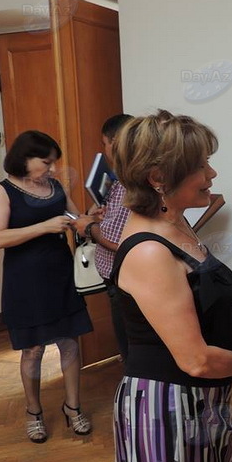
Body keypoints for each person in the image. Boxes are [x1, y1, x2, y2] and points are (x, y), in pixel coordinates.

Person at [110, 110, 232, 462]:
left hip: (201, 403)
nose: (212, 174)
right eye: (201, 166)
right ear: (159, 177)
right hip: (167, 410)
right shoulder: (149, 253)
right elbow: (195, 360)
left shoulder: (175, 224)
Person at [0, 130, 94, 443]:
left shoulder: (55, 186)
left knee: (70, 343)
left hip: (61, 274)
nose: (52, 169)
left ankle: (72, 407)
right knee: (33, 350)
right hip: (25, 281)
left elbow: (73, 216)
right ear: (24, 159)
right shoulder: (3, 191)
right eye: (45, 162)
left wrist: (87, 218)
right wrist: (44, 227)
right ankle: (33, 412)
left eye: (53, 163)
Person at [73, 114, 133, 361]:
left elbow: (122, 242)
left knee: (132, 350)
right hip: (117, 278)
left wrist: (88, 228)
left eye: (105, 143)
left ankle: (136, 396)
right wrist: (97, 217)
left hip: (124, 278)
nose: (104, 150)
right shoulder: (122, 179)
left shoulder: (130, 180)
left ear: (116, 142)